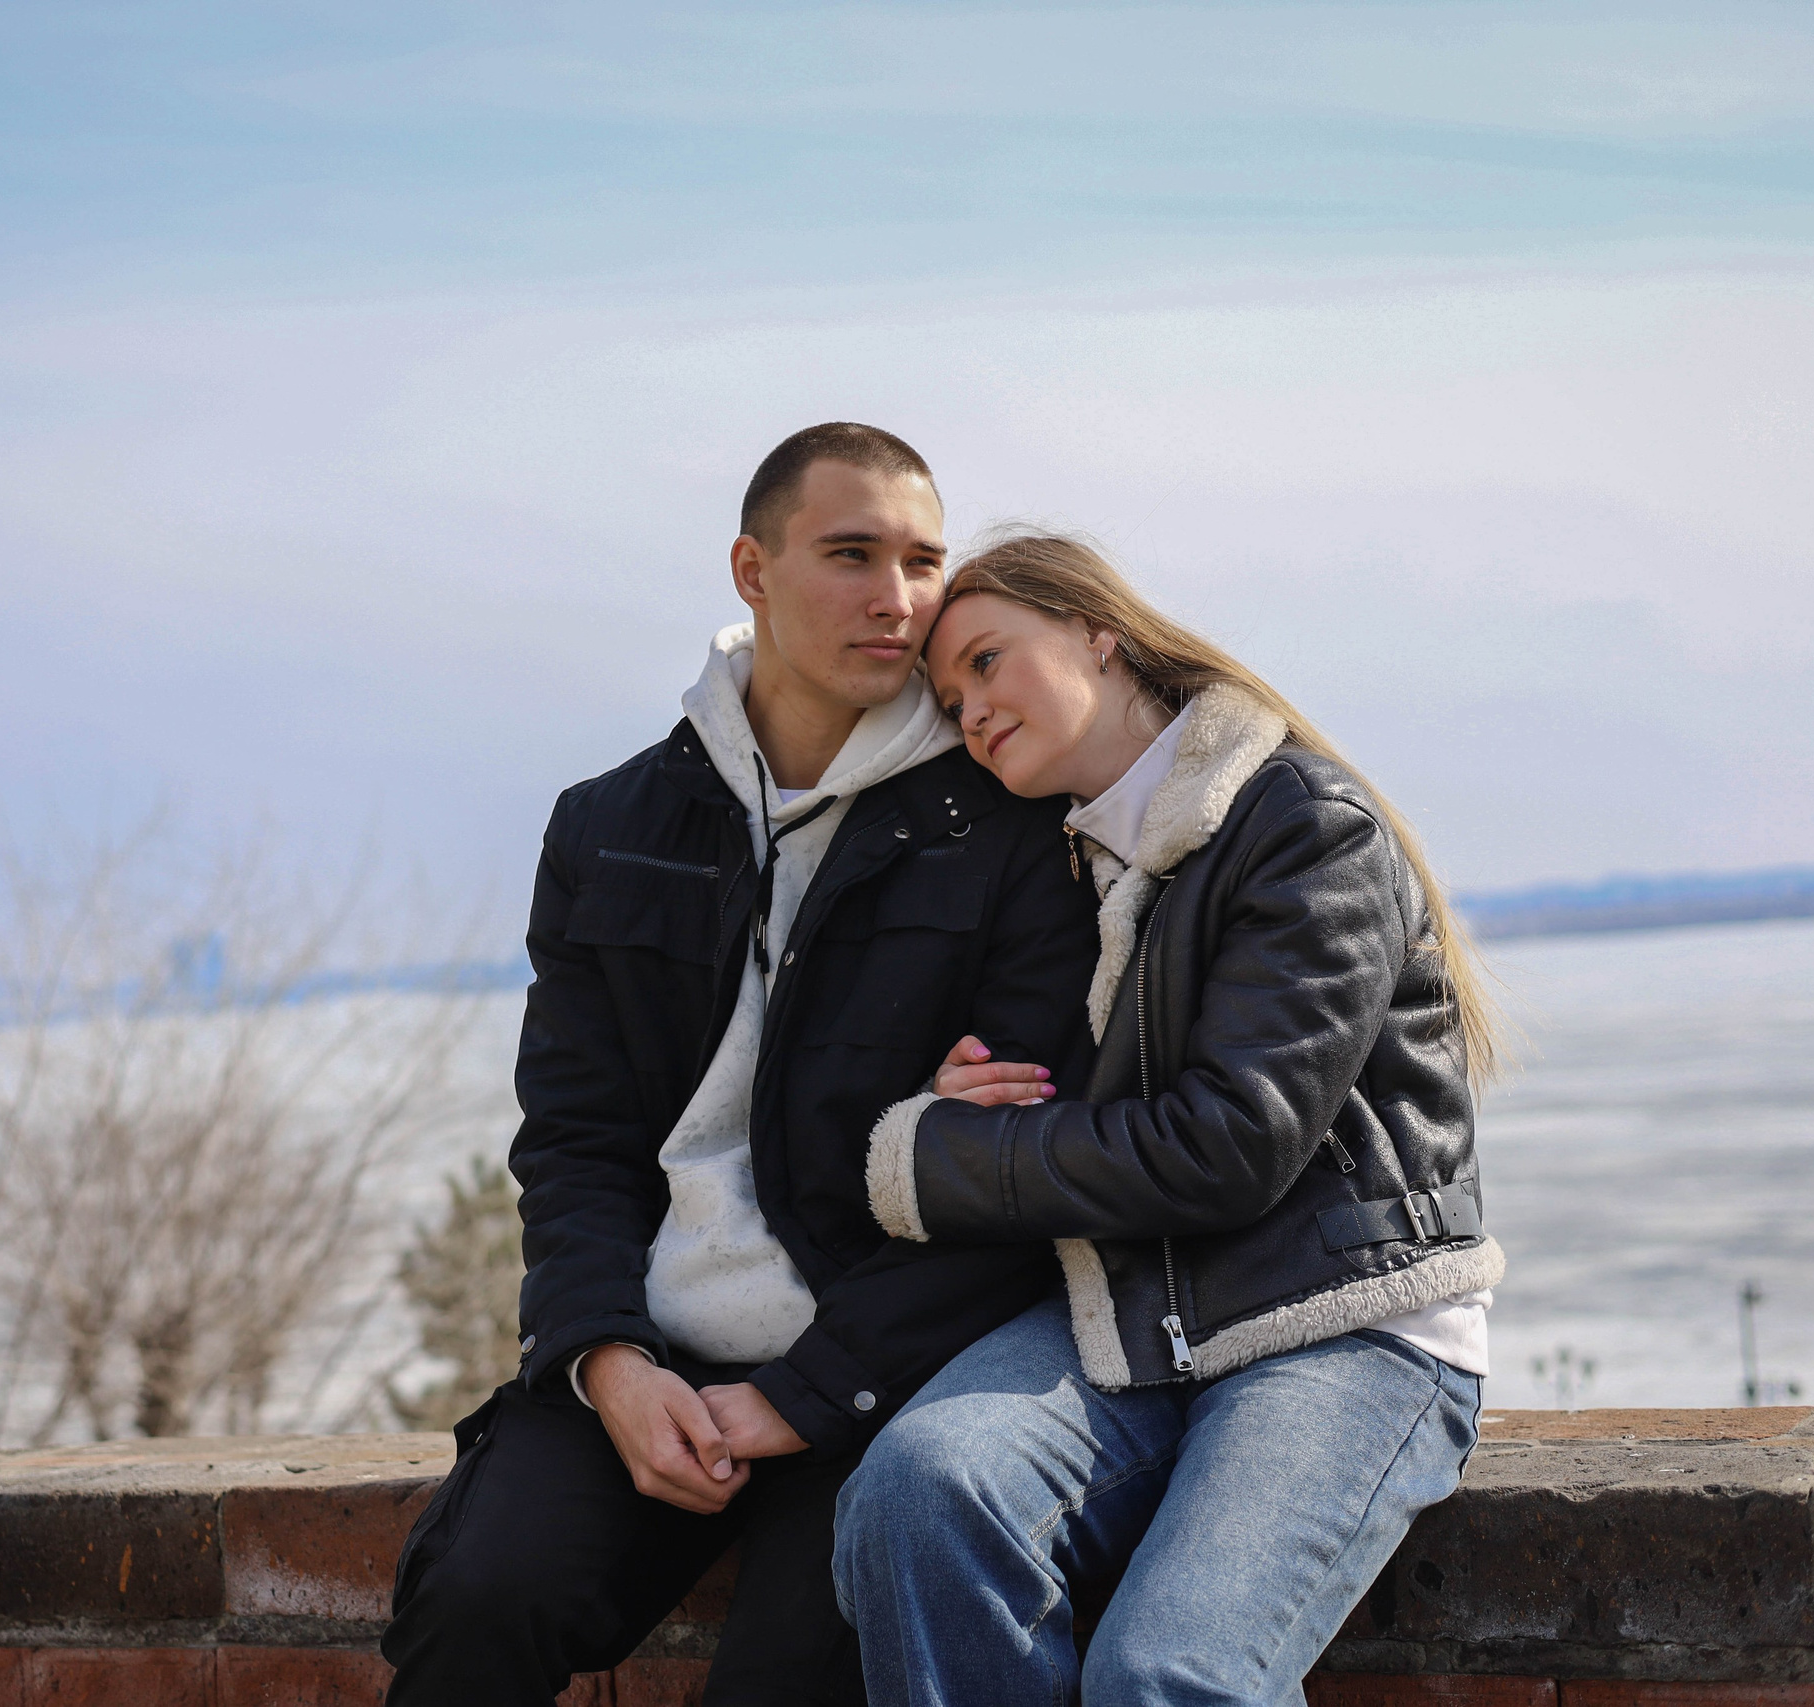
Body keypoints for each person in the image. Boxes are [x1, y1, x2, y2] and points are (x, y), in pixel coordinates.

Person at [380, 427, 1100, 1706]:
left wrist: (806, 1393)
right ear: (751, 571)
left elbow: (1018, 1179)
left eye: (924, 561)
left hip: (877, 1374)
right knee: (477, 1599)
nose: (897, 597)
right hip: (652, 1359)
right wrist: (607, 1362)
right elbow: (577, 1141)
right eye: (850, 554)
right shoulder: (609, 828)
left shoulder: (1008, 829)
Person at [835, 532, 1505, 1707]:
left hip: (1342, 1327)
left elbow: (1225, 1147)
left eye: (990, 662)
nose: (974, 710)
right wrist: (960, 1092)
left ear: (1099, 631)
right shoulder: (1070, 862)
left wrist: (933, 1157)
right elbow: (1043, 1090)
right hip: (1137, 1315)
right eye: (950, 699)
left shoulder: (1298, 823)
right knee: (914, 1495)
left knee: (1165, 1676)